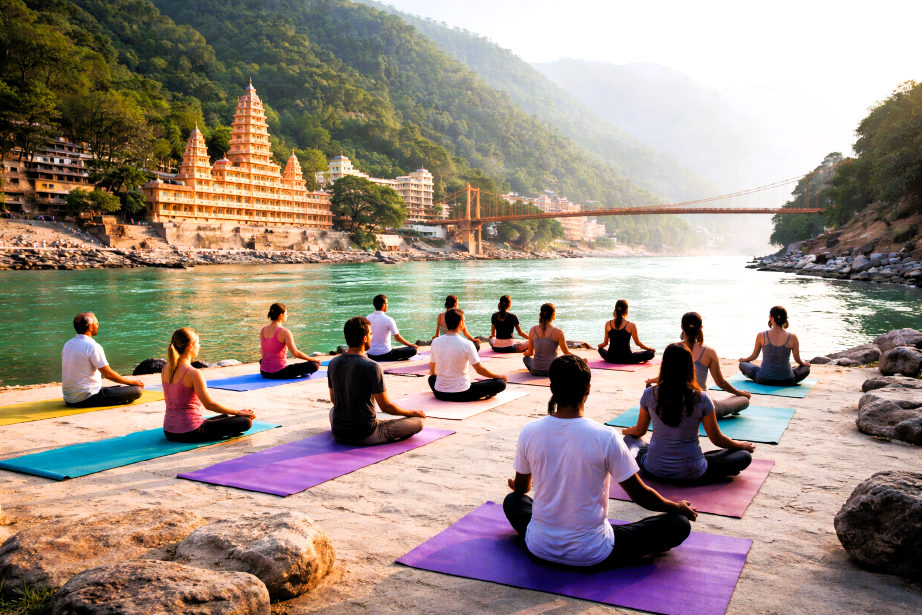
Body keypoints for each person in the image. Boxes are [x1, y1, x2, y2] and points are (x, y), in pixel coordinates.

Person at [504, 355, 696, 567]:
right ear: (587, 389)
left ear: (552, 388)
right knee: (678, 524)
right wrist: (675, 507)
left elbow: (522, 489)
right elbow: (640, 495)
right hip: (592, 551)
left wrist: (519, 486)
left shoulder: (530, 431)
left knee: (512, 501)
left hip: (540, 546)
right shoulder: (605, 436)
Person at [623, 343, 755, 484]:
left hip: (653, 469)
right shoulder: (702, 398)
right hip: (691, 472)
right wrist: (741, 445)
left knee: (629, 440)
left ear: (664, 365)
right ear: (690, 366)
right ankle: (706, 466)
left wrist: (627, 431)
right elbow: (718, 440)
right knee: (743, 456)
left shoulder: (649, 393)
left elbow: (639, 430)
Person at [328, 317, 425, 444]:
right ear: (364, 338)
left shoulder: (333, 363)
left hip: (339, 432)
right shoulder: (372, 367)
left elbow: (334, 399)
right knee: (418, 422)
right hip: (366, 434)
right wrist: (412, 412)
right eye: (370, 333)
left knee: (332, 411)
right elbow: (386, 407)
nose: (371, 335)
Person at [161, 328, 255, 443]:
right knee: (246, 421)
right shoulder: (193, 373)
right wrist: (238, 412)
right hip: (191, 431)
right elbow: (210, 405)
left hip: (169, 431)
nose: (199, 346)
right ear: (190, 347)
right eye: (198, 343)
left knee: (225, 416)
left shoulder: (166, 368)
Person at [652, 312, 751, 418]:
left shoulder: (671, 349)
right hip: (701, 407)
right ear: (701, 328)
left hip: (674, 405)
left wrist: (650, 382)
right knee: (744, 400)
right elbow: (720, 383)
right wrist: (739, 393)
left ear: (682, 327)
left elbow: (664, 377)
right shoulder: (708, 351)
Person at [61, 312, 144, 407]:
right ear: (91, 327)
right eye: (97, 323)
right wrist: (132, 382)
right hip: (88, 398)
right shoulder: (92, 346)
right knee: (137, 390)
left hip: (69, 399)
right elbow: (108, 374)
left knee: (120, 388)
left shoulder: (68, 344)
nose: (98, 325)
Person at [429, 308, 508, 401]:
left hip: (440, 394)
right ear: (461, 323)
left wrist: (445, 382)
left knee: (431, 379)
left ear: (446, 323)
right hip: (462, 393)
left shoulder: (435, 342)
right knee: (500, 383)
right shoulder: (467, 344)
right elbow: (480, 370)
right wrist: (499, 376)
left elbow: (432, 372)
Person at [738, 306, 811, 386]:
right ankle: (790, 370)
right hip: (787, 380)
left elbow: (754, 356)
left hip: (763, 379)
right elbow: (797, 359)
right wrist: (803, 364)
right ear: (785, 319)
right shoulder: (792, 337)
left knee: (742, 365)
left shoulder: (761, 335)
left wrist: (744, 360)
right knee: (806, 369)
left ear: (770, 318)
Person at [260, 302, 321, 379]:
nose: (287, 316)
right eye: (286, 314)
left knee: (263, 360)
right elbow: (295, 353)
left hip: (264, 372)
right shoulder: (285, 332)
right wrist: (312, 359)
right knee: (314, 365)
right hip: (279, 372)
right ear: (281, 315)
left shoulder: (263, 330)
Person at [597, 299, 656, 364]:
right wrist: (649, 349)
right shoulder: (631, 325)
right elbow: (638, 343)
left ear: (615, 309)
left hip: (611, 358)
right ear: (627, 310)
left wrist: (599, 345)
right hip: (627, 358)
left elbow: (605, 343)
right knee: (651, 353)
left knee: (600, 350)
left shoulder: (608, 324)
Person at [523, 303, 572, 376]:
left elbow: (530, 353)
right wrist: (579, 360)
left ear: (540, 314)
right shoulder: (558, 331)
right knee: (565, 361)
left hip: (535, 370)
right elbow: (566, 353)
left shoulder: (532, 330)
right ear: (553, 315)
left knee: (526, 359)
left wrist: (525, 353)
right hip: (552, 371)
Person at [366, 294, 418, 362]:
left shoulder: (367, 318)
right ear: (384, 305)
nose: (387, 305)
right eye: (387, 303)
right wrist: (410, 344)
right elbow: (397, 338)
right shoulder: (388, 320)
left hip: (370, 354)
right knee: (413, 350)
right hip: (386, 354)